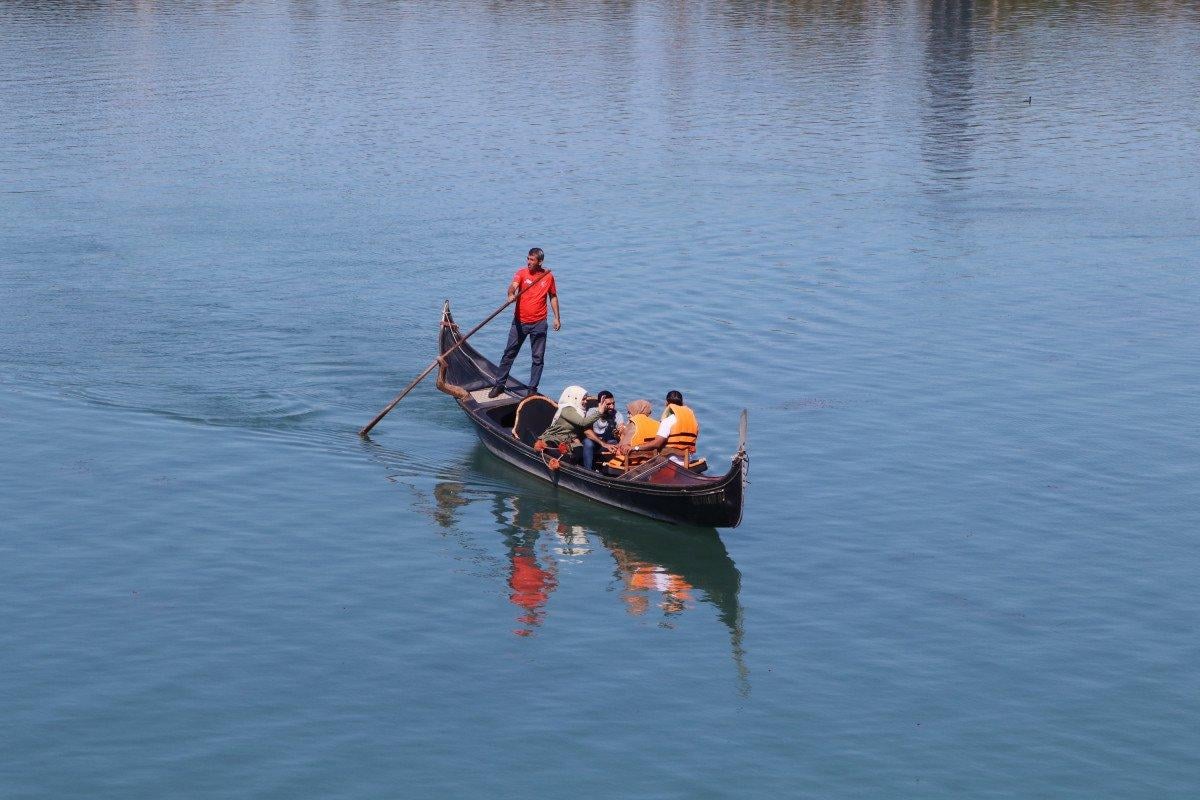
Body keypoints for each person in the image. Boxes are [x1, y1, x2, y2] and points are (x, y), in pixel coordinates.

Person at [489, 248, 560, 398]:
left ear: (540, 261)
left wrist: (557, 317)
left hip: (539, 323)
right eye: (528, 258)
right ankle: (499, 385)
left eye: (532, 260)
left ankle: (532, 390)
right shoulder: (521, 273)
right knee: (509, 353)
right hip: (519, 322)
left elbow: (553, 297)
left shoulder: (548, 277)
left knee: (538, 358)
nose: (528, 262)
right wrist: (510, 294)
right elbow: (513, 286)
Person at [615, 390, 700, 467]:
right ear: (682, 403)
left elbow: (657, 443)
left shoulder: (668, 420)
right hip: (688, 459)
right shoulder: (693, 419)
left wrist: (635, 448)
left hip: (671, 460)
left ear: (666, 403)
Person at [539, 386, 602, 456]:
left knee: (579, 452)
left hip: (567, 440)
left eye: (586, 399)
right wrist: (599, 412)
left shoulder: (580, 411)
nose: (586, 401)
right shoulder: (567, 409)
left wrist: (578, 443)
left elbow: (572, 430)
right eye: (583, 399)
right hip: (555, 439)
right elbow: (583, 422)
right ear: (575, 398)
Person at [606, 399, 661, 473]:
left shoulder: (633, 423)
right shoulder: (657, 424)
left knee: (608, 462)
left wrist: (621, 435)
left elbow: (622, 447)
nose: (628, 415)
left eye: (629, 412)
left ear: (636, 411)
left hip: (632, 462)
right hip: (648, 462)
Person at [581, 390, 624, 470]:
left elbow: (622, 430)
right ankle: (588, 471)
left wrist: (621, 431)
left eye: (613, 403)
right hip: (594, 442)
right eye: (608, 404)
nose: (612, 406)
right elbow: (587, 432)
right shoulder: (592, 412)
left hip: (609, 442)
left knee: (614, 442)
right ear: (600, 404)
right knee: (588, 443)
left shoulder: (617, 415)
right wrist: (603, 444)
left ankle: (611, 469)